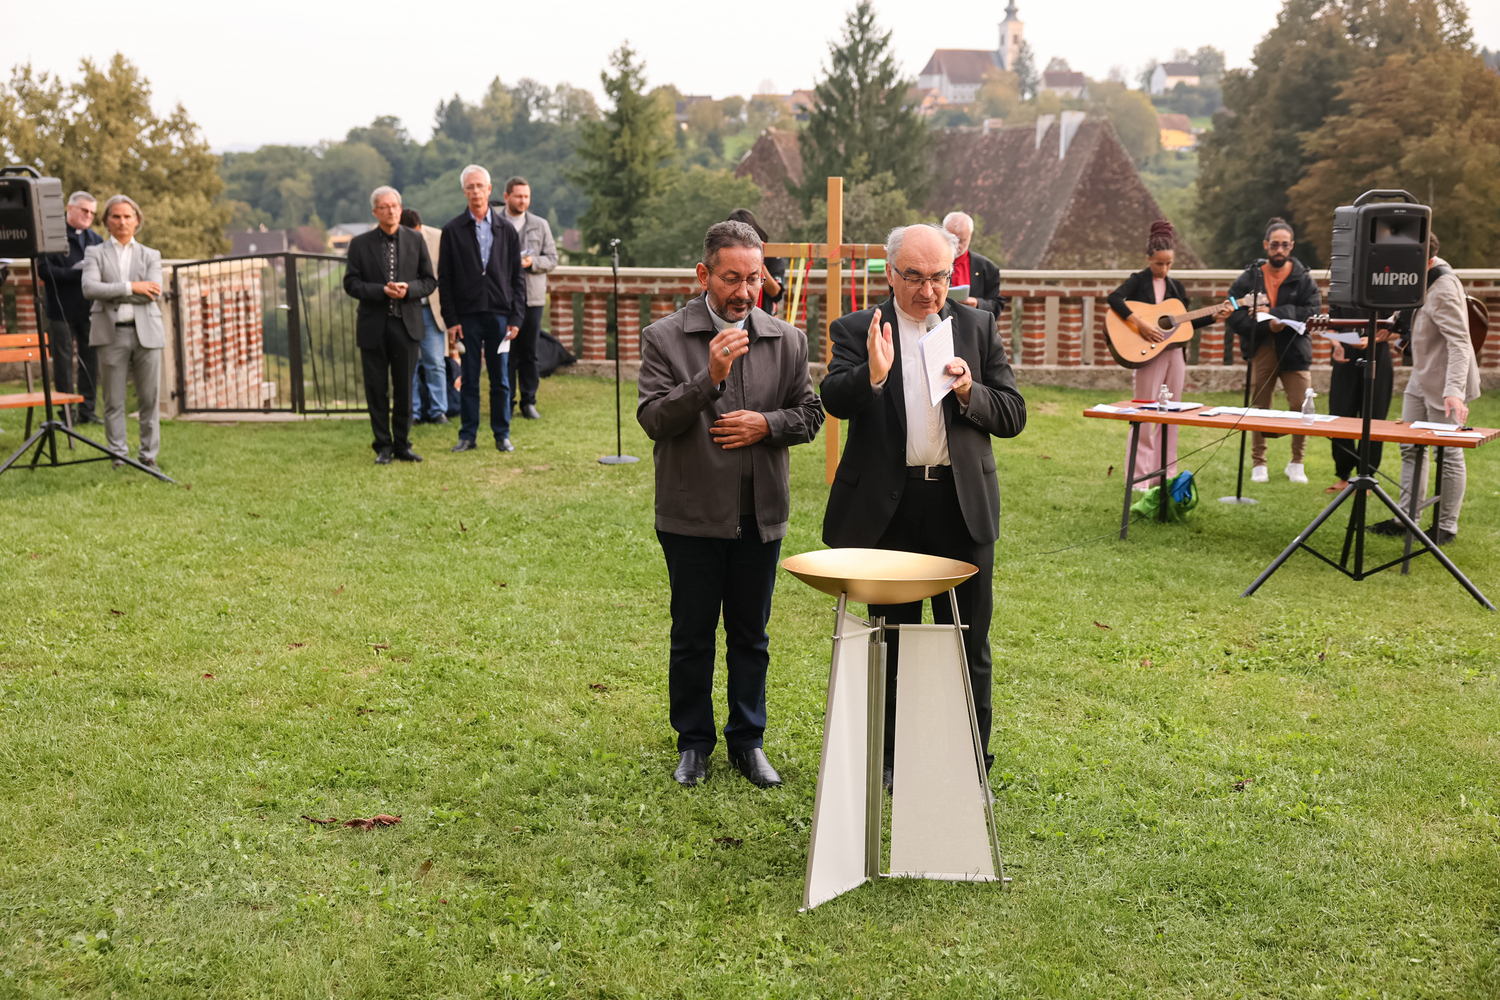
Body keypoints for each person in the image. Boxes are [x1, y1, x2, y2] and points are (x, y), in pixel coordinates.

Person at [821, 223, 1027, 787]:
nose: (928, 290)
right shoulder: (859, 328)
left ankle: (970, 761)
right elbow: (833, 399)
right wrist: (872, 375)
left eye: (939, 277)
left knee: (968, 640)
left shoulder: (977, 328)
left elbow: (1013, 413)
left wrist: (969, 391)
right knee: (892, 639)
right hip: (889, 508)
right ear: (890, 274)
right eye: (914, 277)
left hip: (960, 505)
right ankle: (893, 759)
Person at [637, 221, 825, 789]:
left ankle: (748, 741)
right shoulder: (664, 337)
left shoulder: (787, 339)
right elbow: (654, 419)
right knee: (692, 636)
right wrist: (708, 379)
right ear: (704, 274)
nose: (745, 291)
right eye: (732, 278)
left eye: (754, 278)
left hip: (759, 513)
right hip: (691, 512)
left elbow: (810, 415)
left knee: (751, 636)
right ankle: (693, 744)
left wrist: (766, 424)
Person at [1369, 232, 1480, 545]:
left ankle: (1445, 527)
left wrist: (1454, 391)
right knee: (1410, 447)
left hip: (1445, 381)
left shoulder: (1443, 287)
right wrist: (1391, 324)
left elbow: (1460, 342)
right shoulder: (1418, 276)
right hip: (1421, 375)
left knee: (1448, 453)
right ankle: (1406, 519)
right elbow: (1411, 312)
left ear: (1426, 260)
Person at [1107, 220, 1232, 485]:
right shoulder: (1138, 281)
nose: (1163, 269)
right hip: (1147, 354)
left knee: (1172, 413)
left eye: (1168, 264)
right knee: (1144, 412)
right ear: (1148, 258)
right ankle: (1139, 478)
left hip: (1175, 355)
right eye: (1159, 263)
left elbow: (1183, 325)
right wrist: (1140, 324)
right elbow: (1114, 299)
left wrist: (1215, 316)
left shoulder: (1177, 289)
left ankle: (1165, 475)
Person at [342, 186, 437, 465]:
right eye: (384, 207)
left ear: (400, 208)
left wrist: (408, 290)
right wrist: (380, 291)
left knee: (405, 389)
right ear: (375, 211)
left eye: (394, 206)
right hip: (373, 325)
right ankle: (382, 446)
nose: (391, 211)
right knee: (376, 389)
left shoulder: (416, 239)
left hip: (406, 325)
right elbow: (351, 283)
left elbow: (429, 281)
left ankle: (402, 445)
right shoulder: (360, 244)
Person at [1226, 217, 1322, 484]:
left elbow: (1313, 312)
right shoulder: (1250, 277)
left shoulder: (1303, 278)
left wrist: (1275, 313)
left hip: (1295, 348)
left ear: (1292, 246)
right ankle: (1259, 463)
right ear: (1266, 245)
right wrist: (1265, 325)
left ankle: (1297, 462)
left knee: (1302, 405)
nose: (1279, 250)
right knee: (1260, 406)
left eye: (1285, 245)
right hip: (1262, 347)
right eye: (1274, 245)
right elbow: (1232, 310)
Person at [440, 165, 525, 453]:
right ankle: (468, 435)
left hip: (501, 315)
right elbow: (445, 279)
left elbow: (517, 277)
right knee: (470, 378)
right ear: (464, 191)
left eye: (480, 186)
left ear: (489, 190)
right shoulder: (452, 230)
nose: (476, 191)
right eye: (470, 187)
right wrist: (451, 319)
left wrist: (516, 317)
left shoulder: (506, 230)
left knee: (501, 378)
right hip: (467, 316)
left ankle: (502, 434)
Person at [81, 195, 165, 470]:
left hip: (147, 333)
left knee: (149, 399)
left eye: (128, 216)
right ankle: (118, 454)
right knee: (113, 399)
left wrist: (112, 291)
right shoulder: (94, 253)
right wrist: (132, 287)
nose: (122, 222)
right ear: (106, 220)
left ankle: (148, 455)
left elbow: (153, 293)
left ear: (136, 220)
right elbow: (90, 289)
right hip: (110, 334)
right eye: (116, 216)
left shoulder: (151, 255)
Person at [37, 192, 104, 425]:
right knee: (63, 364)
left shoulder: (96, 239)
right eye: (84, 210)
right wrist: (76, 273)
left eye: (92, 213)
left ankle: (87, 411)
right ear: (70, 208)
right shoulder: (52, 238)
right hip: (61, 310)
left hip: (89, 310)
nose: (89, 216)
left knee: (90, 362)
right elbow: (44, 271)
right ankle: (66, 412)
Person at [496, 177, 558, 422]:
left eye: (526, 196)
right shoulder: (494, 222)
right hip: (502, 298)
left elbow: (552, 259)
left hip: (532, 298)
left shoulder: (540, 225)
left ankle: (529, 402)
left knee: (529, 353)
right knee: (506, 353)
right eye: (518, 196)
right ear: (506, 196)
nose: (523, 201)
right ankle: (507, 401)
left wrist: (532, 262)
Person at [1326, 304, 1395, 492]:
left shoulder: (1387, 292)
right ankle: (1344, 475)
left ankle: (1367, 477)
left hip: (1377, 354)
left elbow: (1396, 329)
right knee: (1340, 415)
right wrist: (1337, 345)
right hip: (1346, 354)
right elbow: (1330, 325)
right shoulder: (1341, 294)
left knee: (1374, 418)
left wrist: (1371, 339)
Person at [399, 207, 449, 426]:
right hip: (405, 309)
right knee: (407, 364)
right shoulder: (393, 241)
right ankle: (412, 412)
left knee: (435, 362)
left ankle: (439, 411)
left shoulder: (438, 238)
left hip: (431, 310)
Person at [942, 211, 1006, 318]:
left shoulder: (986, 268)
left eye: (961, 240)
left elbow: (997, 305)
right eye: (951, 240)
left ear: (970, 236)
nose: (956, 246)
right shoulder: (930, 262)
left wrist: (977, 303)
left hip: (972, 323)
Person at [727, 208, 784, 316]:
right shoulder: (724, 255)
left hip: (764, 317)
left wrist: (758, 261)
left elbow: (775, 292)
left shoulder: (771, 253)